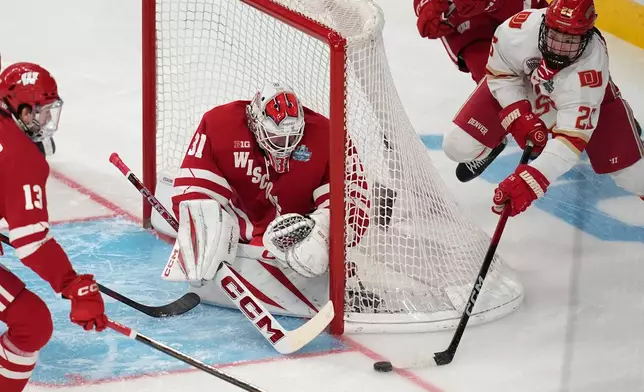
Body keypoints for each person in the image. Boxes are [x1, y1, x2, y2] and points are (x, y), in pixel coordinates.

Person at [162, 82, 371, 317]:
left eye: (291, 138)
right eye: (275, 137)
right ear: (254, 121)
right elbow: (192, 189)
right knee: (201, 218)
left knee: (317, 252)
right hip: (239, 244)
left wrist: (321, 229)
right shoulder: (220, 125)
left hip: (294, 243)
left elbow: (356, 203)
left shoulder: (328, 135)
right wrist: (201, 228)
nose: (283, 146)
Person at [442, 0, 644, 216]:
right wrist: (517, 116)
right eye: (555, 35)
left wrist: (531, 180)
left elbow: (570, 140)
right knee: (457, 144)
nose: (559, 48)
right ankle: (494, 143)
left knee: (634, 176)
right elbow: (501, 76)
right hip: (527, 85)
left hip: (579, 98)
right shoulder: (517, 30)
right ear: (544, 22)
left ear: (587, 36)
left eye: (570, 40)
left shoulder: (590, 69)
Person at [0, 62, 108, 392]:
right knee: (31, 323)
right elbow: (31, 242)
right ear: (17, 107)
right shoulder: (21, 155)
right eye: (39, 112)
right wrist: (71, 283)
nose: (46, 121)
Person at [414, 0, 548, 84]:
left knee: (544, 44)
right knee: (490, 78)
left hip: (523, 15)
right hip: (470, 26)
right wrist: (427, 5)